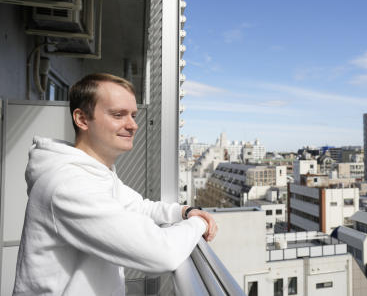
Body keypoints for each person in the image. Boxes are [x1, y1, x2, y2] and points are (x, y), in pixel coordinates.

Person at [13, 73, 217, 296]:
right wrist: (199, 224)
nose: (133, 125)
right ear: (81, 119)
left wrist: (185, 211)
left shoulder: (96, 174)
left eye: (133, 115)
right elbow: (161, 253)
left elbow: (140, 207)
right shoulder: (69, 184)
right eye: (118, 115)